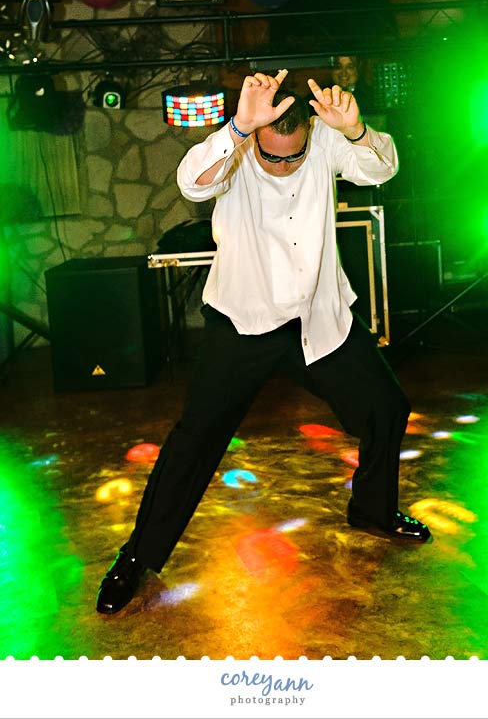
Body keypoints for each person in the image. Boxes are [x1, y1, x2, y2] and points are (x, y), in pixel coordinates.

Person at [96, 69, 430, 615]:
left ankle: (372, 509)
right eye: (270, 156)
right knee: (194, 441)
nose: (281, 165)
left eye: (292, 157)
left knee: (387, 407)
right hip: (243, 321)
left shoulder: (324, 140)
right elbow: (192, 183)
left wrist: (356, 131)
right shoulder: (237, 148)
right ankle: (136, 557)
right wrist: (235, 129)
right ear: (256, 137)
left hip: (316, 317)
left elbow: (381, 169)